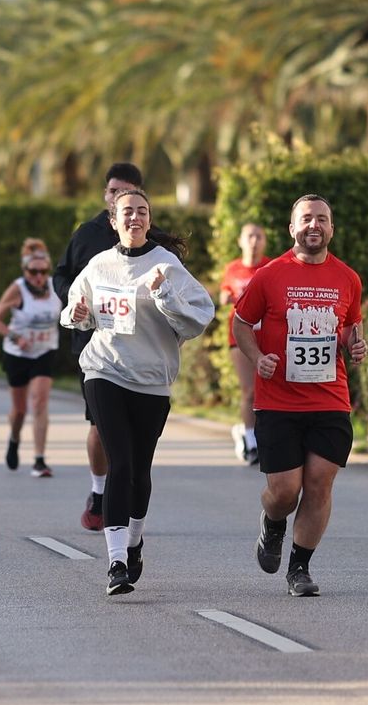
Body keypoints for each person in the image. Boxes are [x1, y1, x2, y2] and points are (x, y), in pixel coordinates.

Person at [63, 188, 214, 595]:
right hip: (104, 371)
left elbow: (199, 318)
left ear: (149, 220)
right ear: (113, 220)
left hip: (151, 381)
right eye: (126, 212)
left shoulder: (166, 264)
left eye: (141, 212)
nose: (134, 218)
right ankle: (114, 563)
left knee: (140, 471)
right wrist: (78, 315)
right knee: (121, 463)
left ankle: (133, 542)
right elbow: (75, 309)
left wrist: (164, 293)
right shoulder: (99, 265)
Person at [233, 194, 368, 598]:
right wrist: (258, 358)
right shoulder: (270, 275)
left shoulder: (348, 278)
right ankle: (272, 523)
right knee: (285, 492)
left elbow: (350, 327)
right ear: (292, 228)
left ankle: (300, 568)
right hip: (278, 401)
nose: (314, 226)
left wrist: (355, 346)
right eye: (306, 219)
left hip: (329, 399)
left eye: (322, 219)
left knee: (320, 484)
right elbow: (241, 323)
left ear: (331, 229)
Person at [53, 162, 145, 530]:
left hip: (139, 349)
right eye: (111, 192)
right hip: (93, 347)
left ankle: (132, 493)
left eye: (124, 192)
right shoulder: (87, 234)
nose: (116, 199)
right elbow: (62, 275)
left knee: (136, 429)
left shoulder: (149, 235)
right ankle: (101, 492)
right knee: (101, 423)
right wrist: (73, 300)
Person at [0, 238, 61, 477]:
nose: (39, 276)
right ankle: (15, 437)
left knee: (39, 402)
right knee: (19, 410)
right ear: (25, 270)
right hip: (18, 353)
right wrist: (14, 336)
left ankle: (39, 460)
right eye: (33, 272)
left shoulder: (56, 287)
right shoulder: (17, 289)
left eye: (43, 271)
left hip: (45, 351)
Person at [219, 223, 270, 465]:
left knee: (268, 390)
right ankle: (250, 442)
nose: (254, 241)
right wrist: (226, 298)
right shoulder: (232, 269)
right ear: (240, 240)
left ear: (265, 241)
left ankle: (264, 437)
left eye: (259, 236)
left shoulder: (271, 267)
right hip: (240, 335)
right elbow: (223, 296)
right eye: (249, 236)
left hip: (267, 336)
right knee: (249, 390)